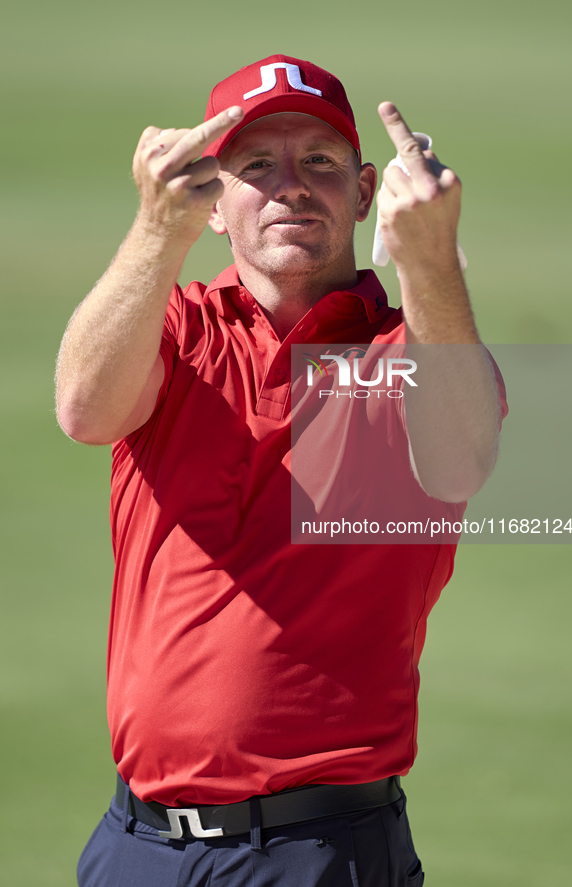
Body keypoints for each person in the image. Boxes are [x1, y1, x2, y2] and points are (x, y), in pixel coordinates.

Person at [56, 55, 506, 887]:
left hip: (315, 851)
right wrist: (156, 231)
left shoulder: (407, 350)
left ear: (366, 193)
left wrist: (430, 263)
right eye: (255, 166)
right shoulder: (177, 329)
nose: (290, 186)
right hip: (133, 844)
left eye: (321, 163)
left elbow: (462, 461)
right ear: (217, 203)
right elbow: (84, 410)